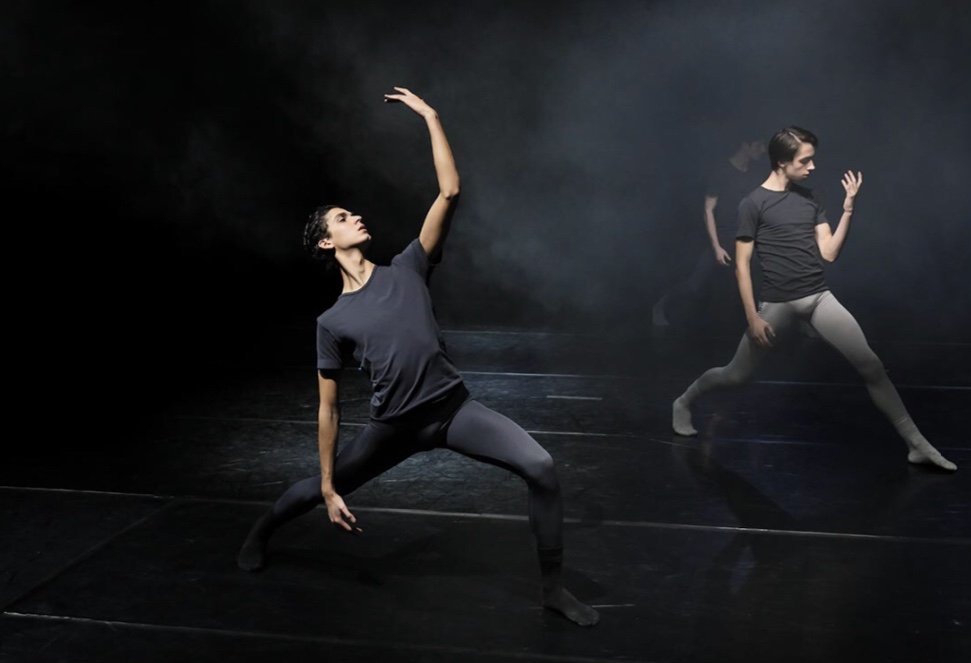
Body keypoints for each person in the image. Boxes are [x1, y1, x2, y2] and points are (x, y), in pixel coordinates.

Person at [236, 87, 600, 627]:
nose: (355, 216)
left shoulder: (409, 265)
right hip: (394, 428)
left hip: (454, 411)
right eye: (342, 217)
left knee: (542, 468)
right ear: (325, 243)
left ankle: (552, 589)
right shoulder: (332, 321)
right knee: (317, 489)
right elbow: (329, 409)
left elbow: (449, 192)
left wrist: (429, 115)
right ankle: (263, 529)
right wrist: (331, 487)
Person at [671, 126, 956, 472]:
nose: (812, 166)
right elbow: (742, 267)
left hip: (818, 297)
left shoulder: (811, 197)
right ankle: (684, 401)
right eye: (804, 161)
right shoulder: (753, 204)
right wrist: (752, 318)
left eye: (812, 159)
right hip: (776, 304)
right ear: (781, 162)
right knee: (735, 375)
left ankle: (916, 445)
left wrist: (848, 210)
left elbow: (829, 253)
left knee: (871, 366)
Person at [652, 138, 767, 329]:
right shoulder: (721, 171)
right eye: (758, 145)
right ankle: (660, 305)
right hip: (722, 237)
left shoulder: (753, 174)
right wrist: (716, 247)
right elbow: (708, 210)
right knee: (696, 285)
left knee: (760, 279)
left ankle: (782, 321)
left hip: (745, 237)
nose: (762, 150)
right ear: (744, 145)